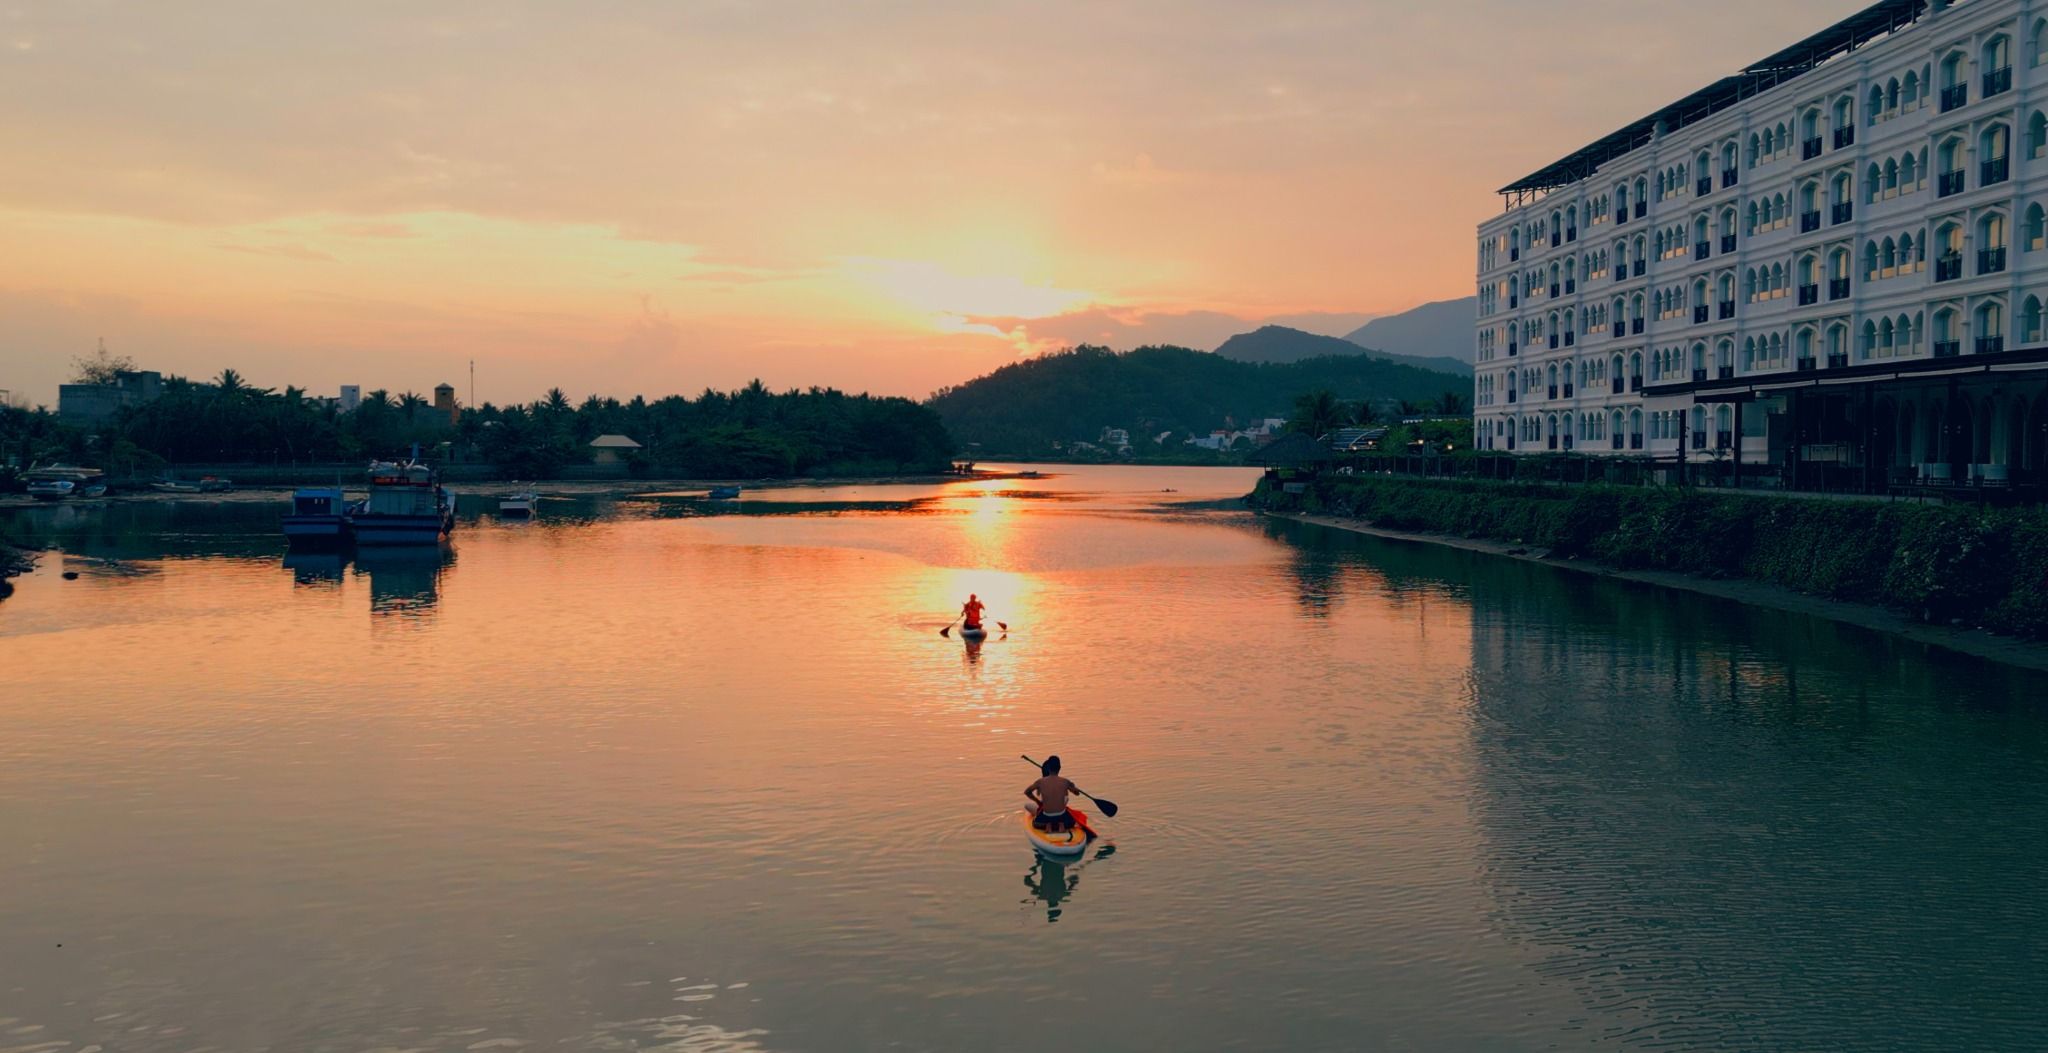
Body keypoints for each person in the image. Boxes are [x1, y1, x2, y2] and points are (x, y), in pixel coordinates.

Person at [1025, 755, 1077, 832]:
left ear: (1048, 768)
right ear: (1059, 768)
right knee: (1072, 822)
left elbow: (1027, 792)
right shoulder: (1065, 781)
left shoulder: (1040, 781)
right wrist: (1073, 786)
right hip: (1061, 815)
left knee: (1035, 823)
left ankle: (1048, 825)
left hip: (1046, 815)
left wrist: (1037, 801)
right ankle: (1060, 824)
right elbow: (1077, 793)